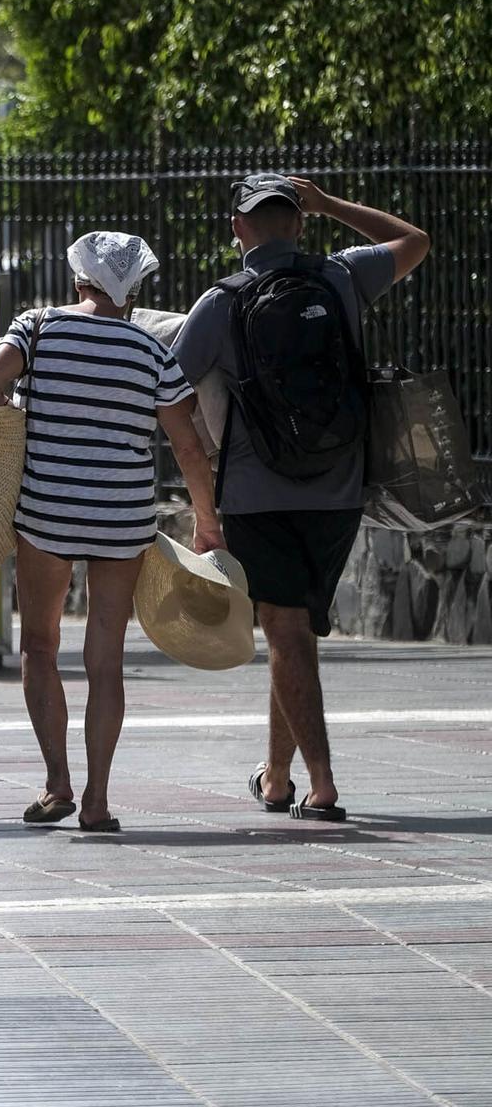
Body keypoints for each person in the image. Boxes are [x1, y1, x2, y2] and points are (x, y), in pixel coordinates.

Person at [174, 173, 429, 823]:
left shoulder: (221, 301)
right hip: (341, 491)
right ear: (299, 221)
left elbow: (165, 389)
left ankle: (322, 786)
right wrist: (333, 203)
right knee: (296, 637)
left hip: (258, 496)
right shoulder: (341, 278)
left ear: (238, 229)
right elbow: (415, 240)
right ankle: (279, 777)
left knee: (285, 634)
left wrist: (202, 490)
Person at [0, 231, 222, 834]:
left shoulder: (37, 328)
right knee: (105, 659)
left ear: (77, 278)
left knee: (40, 647)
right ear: (132, 288)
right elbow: (187, 445)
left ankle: (57, 782)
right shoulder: (150, 349)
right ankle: (99, 802)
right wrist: (207, 521)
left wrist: (17, 416)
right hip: (121, 516)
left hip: (48, 510)